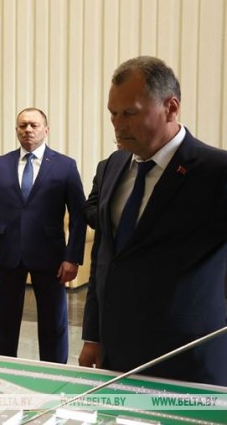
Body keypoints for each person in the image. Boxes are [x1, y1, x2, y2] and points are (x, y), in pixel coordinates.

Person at [79, 56, 227, 386]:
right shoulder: (113, 166)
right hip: (116, 357)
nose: (118, 125)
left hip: (187, 361)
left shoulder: (216, 172)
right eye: (113, 113)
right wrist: (93, 335)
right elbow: (105, 256)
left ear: (171, 108)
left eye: (130, 113)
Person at [0, 108, 86, 364]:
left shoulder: (65, 166)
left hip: (50, 256)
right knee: (4, 320)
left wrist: (72, 258)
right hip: (7, 254)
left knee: (53, 321)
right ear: (16, 130)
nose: (28, 130)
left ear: (46, 130)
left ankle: (55, 371)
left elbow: (79, 217)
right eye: (23, 125)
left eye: (34, 125)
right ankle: (3, 368)